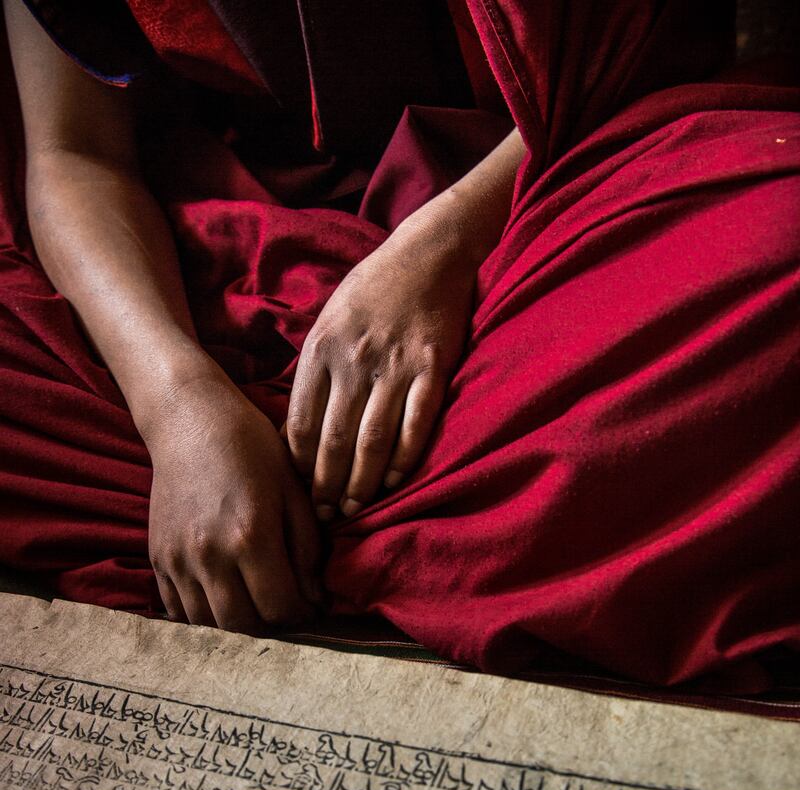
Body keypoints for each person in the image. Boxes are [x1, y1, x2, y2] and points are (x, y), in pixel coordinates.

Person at [1, 0, 798, 692]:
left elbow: (636, 46)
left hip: (545, 183)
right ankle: (401, 529)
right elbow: (75, 155)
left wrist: (442, 249)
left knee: (777, 253)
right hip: (229, 246)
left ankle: (286, 536)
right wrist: (178, 409)